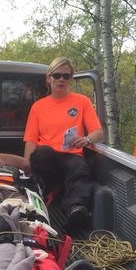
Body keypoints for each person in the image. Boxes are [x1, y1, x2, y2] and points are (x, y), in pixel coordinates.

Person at [23, 57, 104, 230]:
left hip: (71, 156)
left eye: (66, 76)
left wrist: (87, 139)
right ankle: (45, 193)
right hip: (47, 160)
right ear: (48, 78)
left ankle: (76, 210)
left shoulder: (82, 101)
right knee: (43, 152)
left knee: (80, 166)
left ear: (71, 79)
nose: (61, 79)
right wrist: (25, 168)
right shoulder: (38, 107)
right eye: (57, 75)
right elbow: (30, 140)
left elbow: (98, 132)